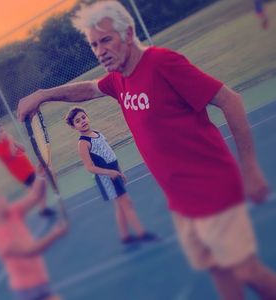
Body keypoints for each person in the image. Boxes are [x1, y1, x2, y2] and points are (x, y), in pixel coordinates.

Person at [16, 1, 276, 299]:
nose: (100, 50)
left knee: (247, 271)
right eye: (93, 45)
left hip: (212, 188)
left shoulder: (163, 63)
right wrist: (44, 94)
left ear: (127, 33)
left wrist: (251, 168)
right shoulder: (118, 79)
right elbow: (89, 89)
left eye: (106, 40)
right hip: (181, 202)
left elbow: (231, 101)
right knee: (219, 270)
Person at [0, 171, 67, 300]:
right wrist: (55, 234)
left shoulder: (13, 212)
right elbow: (30, 251)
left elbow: (36, 196)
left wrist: (40, 175)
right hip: (27, 290)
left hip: (41, 281)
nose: (2, 198)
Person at [65, 106, 157, 245]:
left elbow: (110, 154)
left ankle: (124, 236)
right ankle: (141, 233)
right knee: (126, 203)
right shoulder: (83, 143)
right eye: (78, 121)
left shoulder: (97, 133)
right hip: (106, 177)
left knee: (120, 206)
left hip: (114, 173)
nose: (82, 121)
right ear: (73, 127)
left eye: (83, 117)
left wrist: (120, 172)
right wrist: (110, 173)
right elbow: (90, 167)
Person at [0, 124, 56, 218]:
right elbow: (12, 154)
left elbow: (23, 148)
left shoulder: (7, 141)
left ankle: (43, 209)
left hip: (29, 168)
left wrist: (13, 142)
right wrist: (10, 141)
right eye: (1, 131)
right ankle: (19, 212)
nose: (4, 132)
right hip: (22, 173)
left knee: (40, 187)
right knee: (38, 189)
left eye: (4, 130)